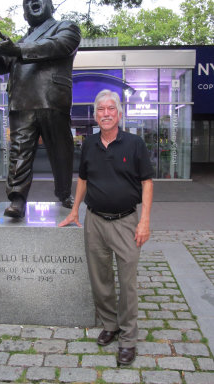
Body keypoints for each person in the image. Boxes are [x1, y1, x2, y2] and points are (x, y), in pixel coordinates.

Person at [59, 89, 153, 365]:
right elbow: (84, 180)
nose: (106, 114)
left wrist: (144, 221)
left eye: (111, 109)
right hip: (95, 221)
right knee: (100, 281)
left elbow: (147, 183)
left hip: (126, 222)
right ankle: (110, 325)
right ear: (96, 115)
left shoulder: (135, 144)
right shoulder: (88, 144)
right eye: (101, 109)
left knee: (128, 284)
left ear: (119, 114)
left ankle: (128, 338)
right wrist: (76, 210)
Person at [0, 0, 81, 218]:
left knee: (61, 151)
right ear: (25, 14)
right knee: (19, 153)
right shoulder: (19, 42)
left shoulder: (66, 28)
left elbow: (58, 46)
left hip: (52, 100)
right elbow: (0, 68)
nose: (33, 1)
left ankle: (64, 192)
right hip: (21, 103)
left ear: (50, 6)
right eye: (28, 1)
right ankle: (17, 199)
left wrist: (17, 49)